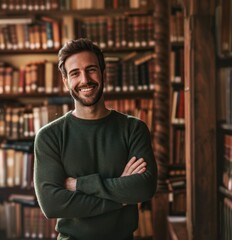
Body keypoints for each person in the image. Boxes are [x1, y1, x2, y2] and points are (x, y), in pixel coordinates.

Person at [34, 38, 157, 240]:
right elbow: (51, 204)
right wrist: (121, 198)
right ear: (66, 82)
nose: (85, 79)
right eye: (75, 73)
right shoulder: (49, 136)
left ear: (103, 74)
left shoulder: (134, 129)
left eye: (91, 69)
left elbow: (144, 187)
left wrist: (79, 185)